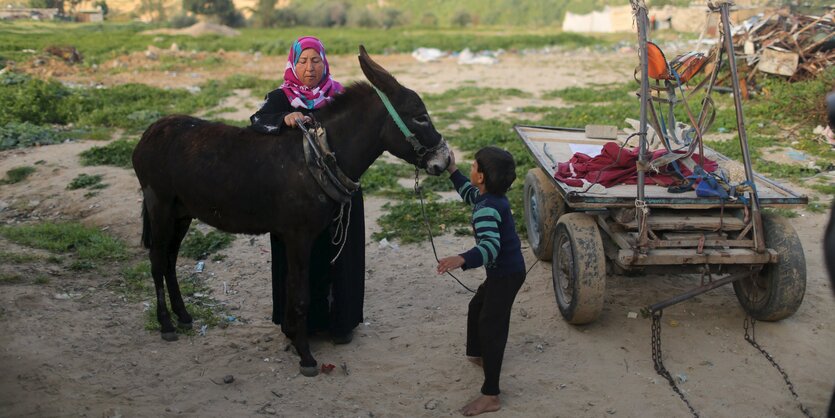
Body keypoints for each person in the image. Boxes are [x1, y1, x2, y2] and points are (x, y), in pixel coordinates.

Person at [249, 36, 365, 344]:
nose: (309, 68)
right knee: (300, 259)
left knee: (340, 257)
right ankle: (303, 325)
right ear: (293, 63)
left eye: (315, 61)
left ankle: (341, 325)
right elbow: (256, 123)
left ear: (324, 63)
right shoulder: (280, 98)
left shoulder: (340, 96)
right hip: (295, 198)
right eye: (302, 61)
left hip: (340, 193)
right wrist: (283, 119)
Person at [436, 147, 526, 416]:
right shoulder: (490, 198)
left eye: (473, 166)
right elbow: (469, 193)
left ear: (482, 177)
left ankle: (491, 395)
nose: (471, 169)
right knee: (477, 308)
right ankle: (480, 355)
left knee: (492, 327)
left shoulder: (487, 210)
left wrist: (462, 258)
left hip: (506, 275)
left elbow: (490, 248)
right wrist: (453, 170)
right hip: (503, 272)